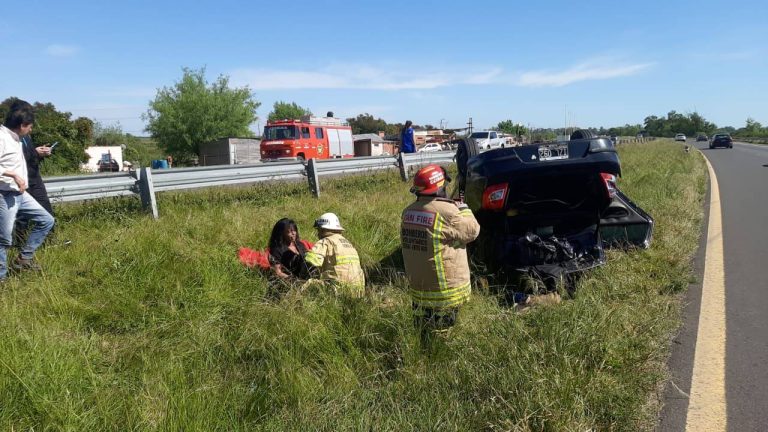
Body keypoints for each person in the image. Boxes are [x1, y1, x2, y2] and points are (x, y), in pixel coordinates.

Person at [400, 164, 480, 330]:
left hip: (419, 290)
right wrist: (463, 209)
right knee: (444, 333)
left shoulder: (407, 212)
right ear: (439, 187)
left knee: (422, 329)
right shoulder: (447, 212)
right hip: (445, 292)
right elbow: (472, 231)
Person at [0, 100, 55, 281]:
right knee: (4, 239)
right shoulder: (2, 138)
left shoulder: (17, 138)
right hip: (5, 195)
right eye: (30, 126)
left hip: (20, 193)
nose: (31, 130)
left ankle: (24, 258)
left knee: (46, 220)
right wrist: (13, 175)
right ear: (22, 125)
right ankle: (2, 279)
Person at [304, 212, 365, 297]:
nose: (318, 234)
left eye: (318, 230)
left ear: (323, 229)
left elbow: (311, 262)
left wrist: (306, 254)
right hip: (358, 291)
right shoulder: (347, 243)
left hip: (337, 289)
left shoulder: (326, 241)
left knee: (308, 285)